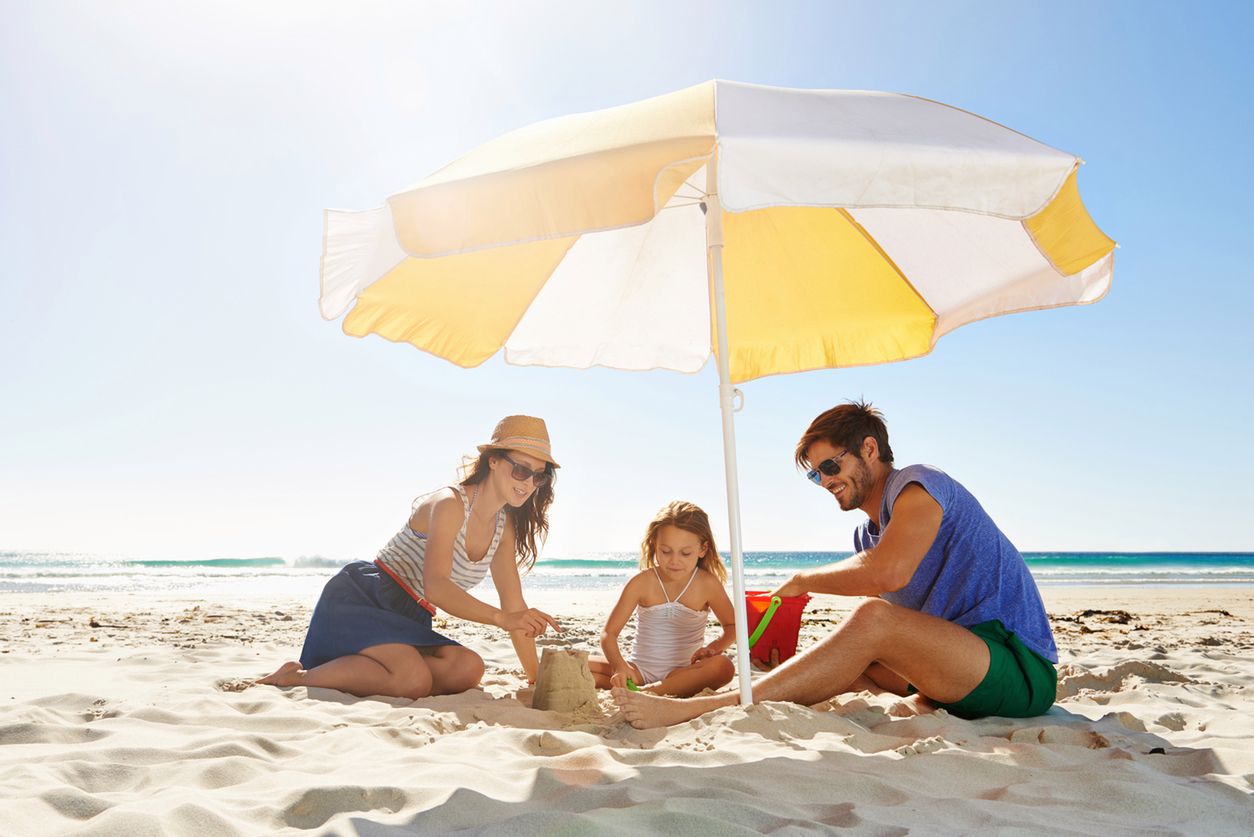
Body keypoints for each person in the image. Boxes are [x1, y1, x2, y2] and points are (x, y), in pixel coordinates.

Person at [614, 400, 1058, 728]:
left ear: (869, 448)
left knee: (872, 618)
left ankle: (699, 709)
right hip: (956, 677)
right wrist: (782, 664)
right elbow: (893, 632)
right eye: (815, 474)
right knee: (847, 660)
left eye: (830, 465)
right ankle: (755, 690)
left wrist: (804, 580)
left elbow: (887, 574)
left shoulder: (920, 486)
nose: (825, 481)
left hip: (1018, 669)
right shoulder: (867, 535)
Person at [258, 415, 562, 699]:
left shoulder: (503, 526)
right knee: (413, 680)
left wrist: (536, 678)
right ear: (493, 461)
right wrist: (501, 619)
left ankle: (375, 669)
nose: (528, 483)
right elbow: (437, 587)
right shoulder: (450, 503)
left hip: (412, 614)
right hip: (365, 598)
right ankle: (295, 678)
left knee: (469, 668)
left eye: (538, 477)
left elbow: (514, 606)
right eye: (521, 469)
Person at [588, 501, 735, 697]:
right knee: (573, 661)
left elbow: (733, 626)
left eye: (685, 553)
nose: (674, 560)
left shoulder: (707, 584)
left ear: (703, 549)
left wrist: (713, 648)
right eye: (666, 551)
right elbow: (609, 634)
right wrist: (620, 666)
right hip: (637, 671)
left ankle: (652, 692)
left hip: (683, 673)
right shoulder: (641, 582)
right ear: (654, 545)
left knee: (724, 667)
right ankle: (641, 688)